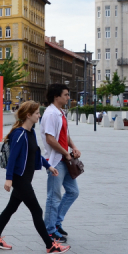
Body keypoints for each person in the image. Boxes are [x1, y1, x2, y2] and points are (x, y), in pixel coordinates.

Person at [0, 101, 70, 254]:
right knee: (37, 210)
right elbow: (12, 158)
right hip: (20, 179)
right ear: (28, 115)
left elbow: (36, 154)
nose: (39, 115)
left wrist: (48, 166)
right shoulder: (19, 134)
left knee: (11, 208)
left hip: (25, 178)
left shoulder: (31, 132)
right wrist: (9, 179)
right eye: (37, 113)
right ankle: (50, 245)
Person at [42, 84, 81, 243]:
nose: (68, 97)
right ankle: (50, 230)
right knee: (54, 196)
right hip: (55, 161)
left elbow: (64, 134)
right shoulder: (51, 114)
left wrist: (73, 147)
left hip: (65, 159)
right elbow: (50, 139)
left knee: (73, 191)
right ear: (56, 96)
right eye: (65, 95)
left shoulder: (60, 113)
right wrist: (66, 153)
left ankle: (56, 223)